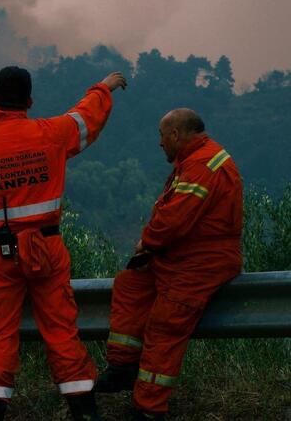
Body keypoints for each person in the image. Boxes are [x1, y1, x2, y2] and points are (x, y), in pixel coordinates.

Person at [0, 66, 127, 421]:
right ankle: (84, 410)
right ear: (29, 101)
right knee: (62, 331)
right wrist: (104, 87)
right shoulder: (52, 133)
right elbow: (86, 117)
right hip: (47, 249)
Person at [95, 108, 243, 420]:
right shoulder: (193, 161)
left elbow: (175, 220)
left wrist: (146, 242)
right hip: (180, 257)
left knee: (165, 324)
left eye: (162, 136)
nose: (160, 143)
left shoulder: (203, 164)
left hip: (202, 262)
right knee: (130, 284)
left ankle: (149, 408)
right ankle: (123, 366)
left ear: (175, 134)